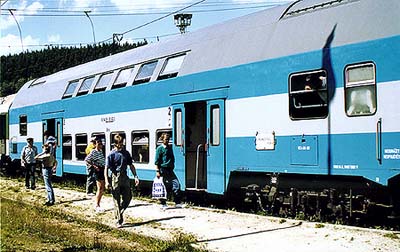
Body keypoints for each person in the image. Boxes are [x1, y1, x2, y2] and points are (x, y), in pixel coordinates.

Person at [105, 134, 139, 228]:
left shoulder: (126, 153)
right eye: (119, 143)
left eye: (122, 143)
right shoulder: (111, 154)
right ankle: (119, 221)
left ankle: (120, 211)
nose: (121, 145)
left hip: (124, 176)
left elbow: (131, 165)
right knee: (116, 199)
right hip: (115, 177)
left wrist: (136, 176)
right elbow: (106, 168)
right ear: (115, 144)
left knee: (128, 197)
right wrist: (107, 181)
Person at [155, 133, 184, 210]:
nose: (167, 141)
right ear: (162, 140)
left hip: (170, 170)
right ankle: (163, 203)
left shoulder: (170, 148)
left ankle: (177, 202)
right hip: (162, 169)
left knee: (176, 184)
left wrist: (172, 165)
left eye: (168, 139)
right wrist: (157, 171)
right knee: (163, 187)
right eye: (166, 139)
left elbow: (172, 158)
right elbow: (157, 161)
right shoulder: (159, 149)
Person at [85, 139, 106, 213]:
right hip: (98, 170)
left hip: (102, 169)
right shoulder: (93, 151)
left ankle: (98, 204)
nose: (101, 145)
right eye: (99, 144)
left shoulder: (100, 151)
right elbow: (87, 160)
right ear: (95, 144)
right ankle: (97, 205)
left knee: (102, 188)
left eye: (101, 144)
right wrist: (94, 166)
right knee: (100, 188)